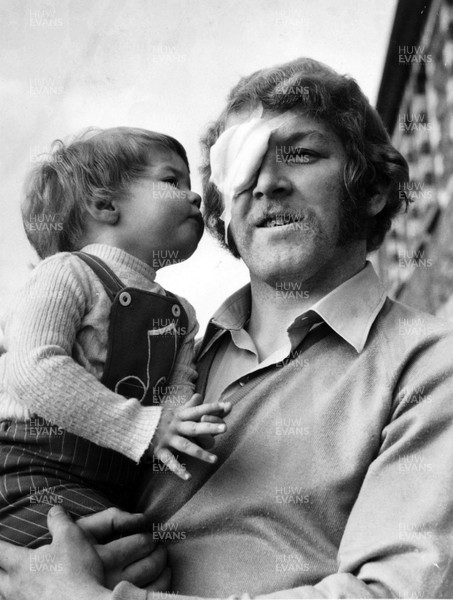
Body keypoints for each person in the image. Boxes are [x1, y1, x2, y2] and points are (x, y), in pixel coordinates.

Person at [1, 57, 453, 599]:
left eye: (301, 154)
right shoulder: (171, 358)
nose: (267, 183)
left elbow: (394, 593)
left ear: (372, 190)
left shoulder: (428, 366)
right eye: (241, 164)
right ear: (224, 210)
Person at [0, 127, 230, 548]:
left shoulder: (181, 314)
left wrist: (180, 423)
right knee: (115, 558)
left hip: (105, 483)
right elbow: (33, 369)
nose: (195, 196)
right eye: (171, 181)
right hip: (29, 471)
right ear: (105, 204)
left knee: (140, 561)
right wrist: (146, 427)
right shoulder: (67, 273)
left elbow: (177, 392)